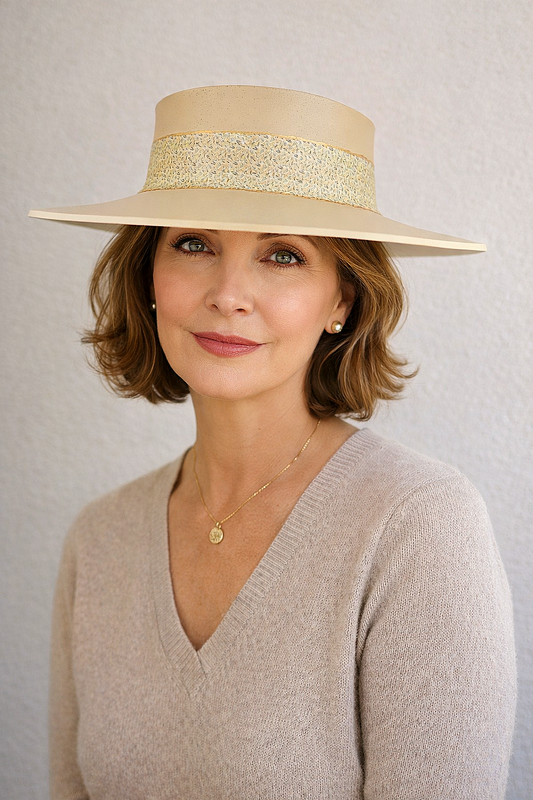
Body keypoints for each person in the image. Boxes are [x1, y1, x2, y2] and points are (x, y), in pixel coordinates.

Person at [29, 85, 516, 800]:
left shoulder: (418, 526)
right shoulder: (99, 539)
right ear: (149, 275)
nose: (229, 293)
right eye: (193, 244)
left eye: (283, 255)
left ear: (342, 299)